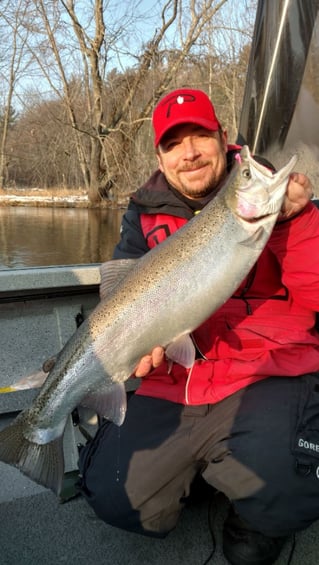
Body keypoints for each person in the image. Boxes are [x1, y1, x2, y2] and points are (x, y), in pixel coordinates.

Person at [78, 88, 319, 565]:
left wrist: (296, 222)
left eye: (200, 137)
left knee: (280, 500)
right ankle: (203, 471)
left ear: (222, 138)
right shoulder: (140, 214)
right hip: (175, 378)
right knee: (113, 496)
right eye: (174, 144)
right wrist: (137, 350)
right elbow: (121, 292)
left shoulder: (279, 201)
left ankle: (251, 513)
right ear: (161, 157)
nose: (189, 153)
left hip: (265, 371)